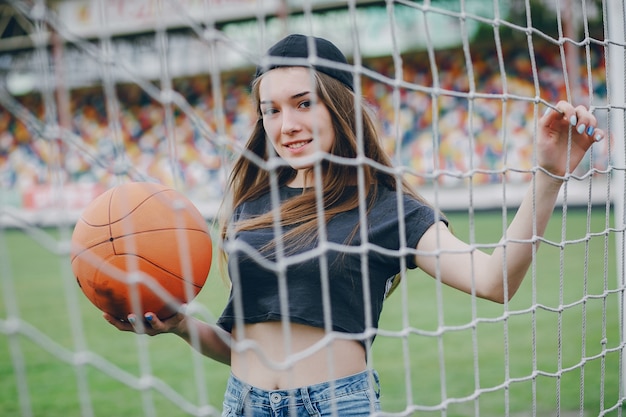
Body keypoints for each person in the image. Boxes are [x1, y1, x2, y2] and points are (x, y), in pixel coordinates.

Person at [104, 34, 605, 416]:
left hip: (336, 405)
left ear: (337, 104)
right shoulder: (251, 207)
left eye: (304, 103)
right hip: (243, 403)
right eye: (270, 111)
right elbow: (243, 346)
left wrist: (548, 176)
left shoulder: (388, 209)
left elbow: (495, 281)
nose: (286, 125)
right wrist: (180, 326)